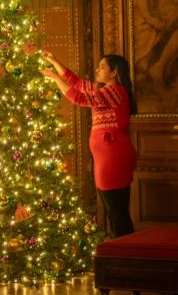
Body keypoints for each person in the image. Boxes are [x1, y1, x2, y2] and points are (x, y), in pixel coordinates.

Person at [40, 51, 138, 237]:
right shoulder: (105, 90)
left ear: (114, 73)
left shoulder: (115, 92)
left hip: (113, 158)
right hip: (106, 158)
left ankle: (127, 253)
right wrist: (54, 60)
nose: (97, 69)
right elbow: (76, 82)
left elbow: (78, 97)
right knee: (113, 211)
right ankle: (123, 251)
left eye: (102, 67)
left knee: (117, 213)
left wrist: (54, 78)